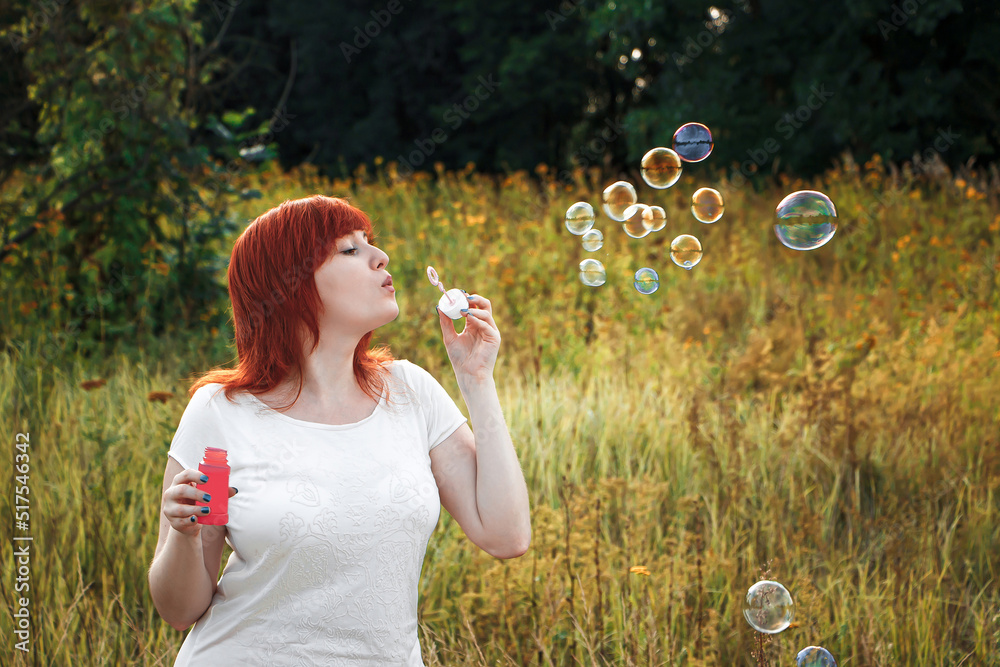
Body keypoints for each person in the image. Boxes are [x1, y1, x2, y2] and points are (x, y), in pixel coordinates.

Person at [147, 195, 531, 666]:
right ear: (290, 285)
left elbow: (506, 535)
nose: (380, 257)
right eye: (349, 250)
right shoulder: (221, 412)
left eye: (369, 243)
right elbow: (179, 609)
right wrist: (183, 536)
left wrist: (476, 380)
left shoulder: (410, 392)